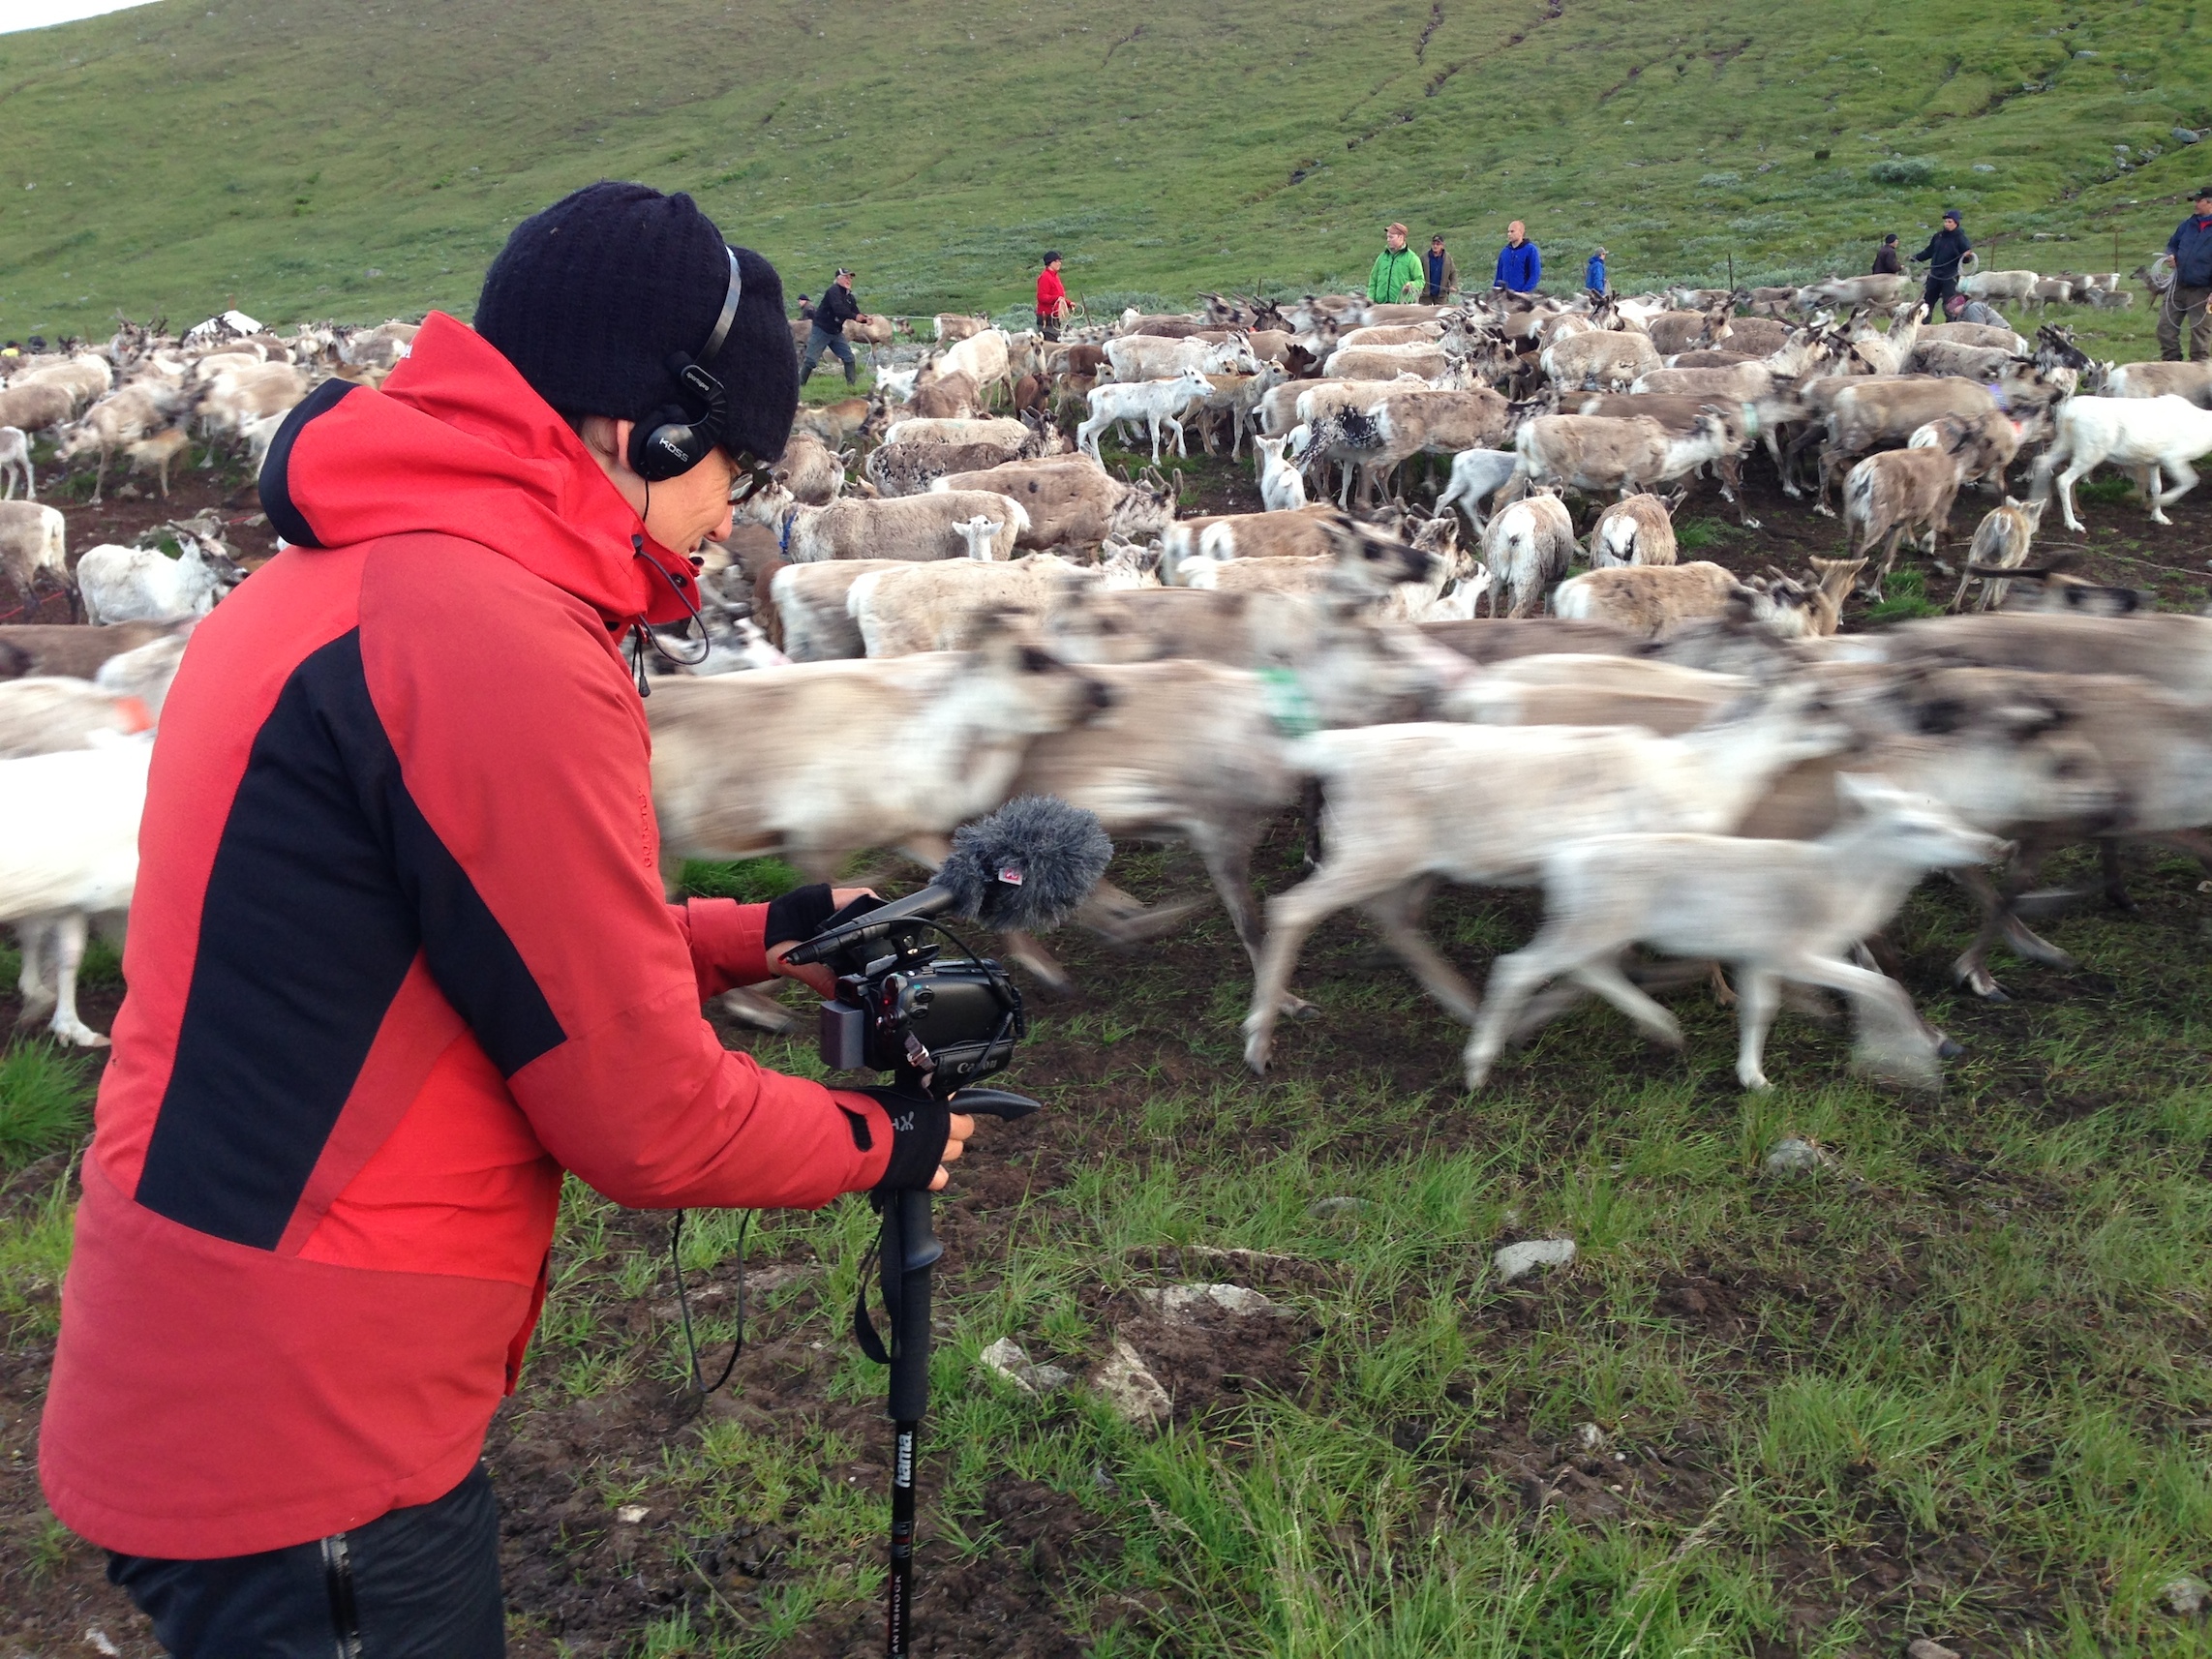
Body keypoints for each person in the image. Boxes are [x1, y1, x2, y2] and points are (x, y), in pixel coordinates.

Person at [38, 181, 973, 1657]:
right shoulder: (488, 632)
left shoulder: (349, 576)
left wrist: (755, 930)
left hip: (221, 1350)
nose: (738, 504)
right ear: (645, 430)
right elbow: (647, 1118)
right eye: (739, 454)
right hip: (307, 1430)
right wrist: (887, 1140)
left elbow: (433, 945)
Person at [2159, 186, 2212, 362]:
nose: (2195, 204)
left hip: (2203, 291)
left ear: (2210, 203)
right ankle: (2172, 366)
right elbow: (2172, 244)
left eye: (2199, 201)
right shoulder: (2187, 225)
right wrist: (2171, 256)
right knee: (2165, 328)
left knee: (2200, 336)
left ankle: (2199, 375)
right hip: (2178, 286)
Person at [799, 267, 862, 384]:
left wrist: (864, 319)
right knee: (811, 361)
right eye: (846, 277)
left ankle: (852, 387)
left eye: (850, 278)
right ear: (838, 279)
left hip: (836, 332)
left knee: (849, 358)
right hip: (821, 331)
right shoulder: (833, 291)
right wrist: (856, 317)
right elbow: (839, 309)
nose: (849, 280)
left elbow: (855, 311)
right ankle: (799, 386)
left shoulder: (849, 297)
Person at [1911, 209, 1972, 325]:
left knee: (1949, 304)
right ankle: (1924, 326)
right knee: (1927, 302)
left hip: (1950, 276)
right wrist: (1915, 258)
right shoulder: (1938, 236)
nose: (1947, 224)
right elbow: (1929, 251)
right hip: (1934, 275)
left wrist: (1967, 257)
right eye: (1946, 221)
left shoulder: (1961, 238)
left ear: (1956, 223)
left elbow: (1967, 258)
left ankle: (1951, 327)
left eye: (1950, 222)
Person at [1367, 223, 1423, 305]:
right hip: (1380, 306)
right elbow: (1373, 280)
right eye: (1387, 237)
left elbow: (1421, 281)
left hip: (1401, 308)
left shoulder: (1412, 258)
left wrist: (1411, 285)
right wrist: (1370, 300)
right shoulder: (1381, 258)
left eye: (1391, 237)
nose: (1388, 240)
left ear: (1401, 237)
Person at [1494, 221, 1541, 294]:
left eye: (1512, 231)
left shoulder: (1530, 250)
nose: (1509, 234)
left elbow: (1535, 274)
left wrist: (1525, 292)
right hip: (1505, 296)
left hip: (1523, 296)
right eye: (1508, 232)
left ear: (1521, 232)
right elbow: (1499, 275)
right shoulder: (1505, 252)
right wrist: (1496, 291)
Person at [1037, 250, 1072, 341]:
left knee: (1056, 340)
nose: (1059, 263)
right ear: (1050, 263)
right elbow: (1041, 297)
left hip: (1054, 315)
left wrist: (1068, 303)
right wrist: (1057, 298)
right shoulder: (1045, 277)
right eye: (1056, 261)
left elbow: (1058, 295)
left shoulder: (1054, 276)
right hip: (1047, 317)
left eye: (1060, 261)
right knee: (1052, 342)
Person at [1421, 234, 1458, 303]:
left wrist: (1454, 285)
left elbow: (1453, 273)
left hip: (1441, 294)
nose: (1435, 246)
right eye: (1433, 244)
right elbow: (1417, 272)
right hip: (1425, 294)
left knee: (1442, 313)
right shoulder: (1424, 257)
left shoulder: (1447, 258)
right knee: (1424, 313)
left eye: (1438, 244)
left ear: (1442, 245)